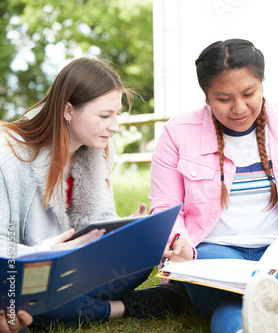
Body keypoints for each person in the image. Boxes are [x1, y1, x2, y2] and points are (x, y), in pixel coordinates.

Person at [149, 38, 278, 332]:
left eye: (249, 93)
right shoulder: (177, 133)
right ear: (206, 97)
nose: (239, 108)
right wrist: (179, 242)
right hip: (213, 253)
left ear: (262, 85)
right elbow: (165, 206)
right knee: (235, 306)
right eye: (223, 98)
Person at [0, 58, 188, 331]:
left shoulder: (97, 152)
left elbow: (98, 224)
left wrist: (130, 231)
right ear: (68, 110)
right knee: (29, 300)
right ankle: (121, 307)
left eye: (116, 115)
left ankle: (73, 305)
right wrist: (44, 252)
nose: (114, 126)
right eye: (104, 116)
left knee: (141, 257)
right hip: (29, 272)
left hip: (74, 271)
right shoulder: (9, 154)